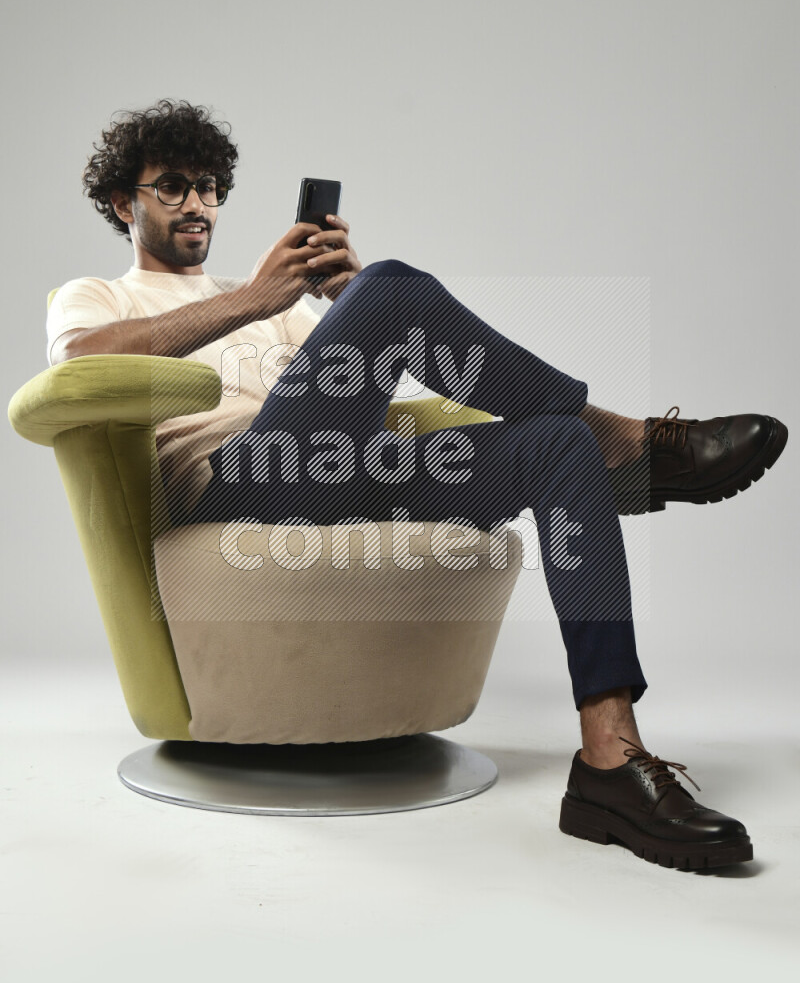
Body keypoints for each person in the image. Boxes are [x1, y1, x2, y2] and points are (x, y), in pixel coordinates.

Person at [48, 99, 787, 871]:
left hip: (340, 471)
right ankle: (631, 444)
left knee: (553, 445)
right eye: (172, 187)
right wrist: (264, 298)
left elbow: (354, 386)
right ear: (122, 202)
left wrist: (347, 302)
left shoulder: (276, 304)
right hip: (235, 488)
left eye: (208, 187)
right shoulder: (101, 295)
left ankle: (609, 756)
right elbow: (80, 361)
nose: (197, 204)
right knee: (399, 289)